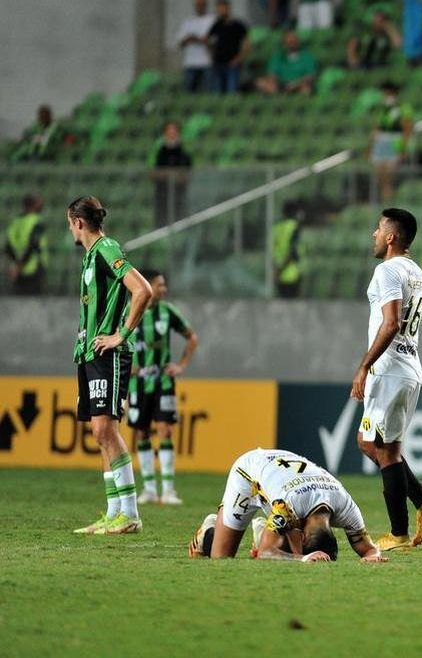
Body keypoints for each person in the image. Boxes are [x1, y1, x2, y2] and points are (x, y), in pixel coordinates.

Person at [350, 208, 422, 552]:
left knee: (388, 452)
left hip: (389, 368)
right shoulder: (416, 272)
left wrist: (364, 366)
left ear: (391, 237)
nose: (373, 235)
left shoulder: (387, 270)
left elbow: (390, 323)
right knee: (368, 442)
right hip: (407, 365)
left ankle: (399, 532)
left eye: (377, 230)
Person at [66, 196, 153, 536]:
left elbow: (141, 289)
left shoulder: (106, 249)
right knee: (98, 432)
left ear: (77, 222)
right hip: (89, 352)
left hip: (107, 352)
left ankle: (130, 514)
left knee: (106, 430)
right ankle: (114, 511)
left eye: (68, 223)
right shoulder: (91, 256)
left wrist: (121, 334)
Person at [187, 448, 387, 563]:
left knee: (287, 531)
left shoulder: (347, 508)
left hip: (284, 472)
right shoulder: (287, 507)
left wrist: (373, 556)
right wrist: (301, 559)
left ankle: (270, 532)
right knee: (220, 558)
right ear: (302, 535)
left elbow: (369, 549)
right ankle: (208, 532)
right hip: (248, 473)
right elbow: (266, 552)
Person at [127, 269, 198, 505]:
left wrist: (181, 365)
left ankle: (167, 490)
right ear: (147, 285)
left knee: (165, 430)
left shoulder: (167, 312)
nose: (163, 290)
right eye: (159, 285)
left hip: (163, 381)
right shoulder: (129, 310)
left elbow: (191, 337)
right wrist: (127, 364)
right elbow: (116, 337)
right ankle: (148, 488)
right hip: (138, 383)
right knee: (141, 432)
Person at [370, 82, 415, 203]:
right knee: (380, 175)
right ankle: (384, 200)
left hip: (395, 142)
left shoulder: (403, 108)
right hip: (381, 143)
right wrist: (370, 147)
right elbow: (377, 127)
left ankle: (389, 200)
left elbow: (407, 128)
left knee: (389, 175)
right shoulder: (383, 110)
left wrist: (403, 148)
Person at [149, 120, 192, 228]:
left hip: (179, 194)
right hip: (162, 195)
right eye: (169, 131)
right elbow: (153, 172)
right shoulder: (159, 151)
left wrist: (171, 175)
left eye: (174, 131)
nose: (171, 134)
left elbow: (187, 173)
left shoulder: (184, 152)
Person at [5, 194, 47, 295]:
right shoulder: (37, 221)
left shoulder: (15, 222)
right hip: (34, 269)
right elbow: (33, 246)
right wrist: (19, 267)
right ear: (32, 205)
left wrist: (15, 265)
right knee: (34, 305)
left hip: (16, 270)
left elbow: (7, 247)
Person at [207, 0, 249, 94]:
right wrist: (211, 56)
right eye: (219, 8)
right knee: (217, 93)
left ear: (228, 8)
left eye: (222, 8)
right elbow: (207, 40)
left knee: (231, 92)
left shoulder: (238, 25)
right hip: (218, 64)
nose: (220, 10)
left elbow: (247, 43)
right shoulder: (217, 25)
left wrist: (239, 58)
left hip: (232, 65)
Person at [255, 30, 317, 95]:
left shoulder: (306, 56)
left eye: (293, 41)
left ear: (298, 42)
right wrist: (277, 83)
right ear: (284, 43)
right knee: (261, 82)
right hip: (281, 84)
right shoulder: (278, 55)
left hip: (298, 85)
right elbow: (271, 73)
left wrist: (295, 84)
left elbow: (310, 76)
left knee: (306, 89)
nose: (291, 44)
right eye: (289, 42)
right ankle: (278, 98)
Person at [176, 0, 216, 92]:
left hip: (207, 62)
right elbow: (180, 41)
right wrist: (190, 39)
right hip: (190, 63)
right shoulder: (188, 21)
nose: (200, 6)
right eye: (198, 4)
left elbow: (213, 40)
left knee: (207, 91)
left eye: (202, 4)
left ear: (206, 5)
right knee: (189, 91)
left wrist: (197, 39)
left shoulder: (212, 20)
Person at [272, 200, 304, 299]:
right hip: (292, 273)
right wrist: (281, 270)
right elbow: (293, 252)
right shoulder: (295, 227)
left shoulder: (276, 227)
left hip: (277, 273)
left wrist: (276, 271)